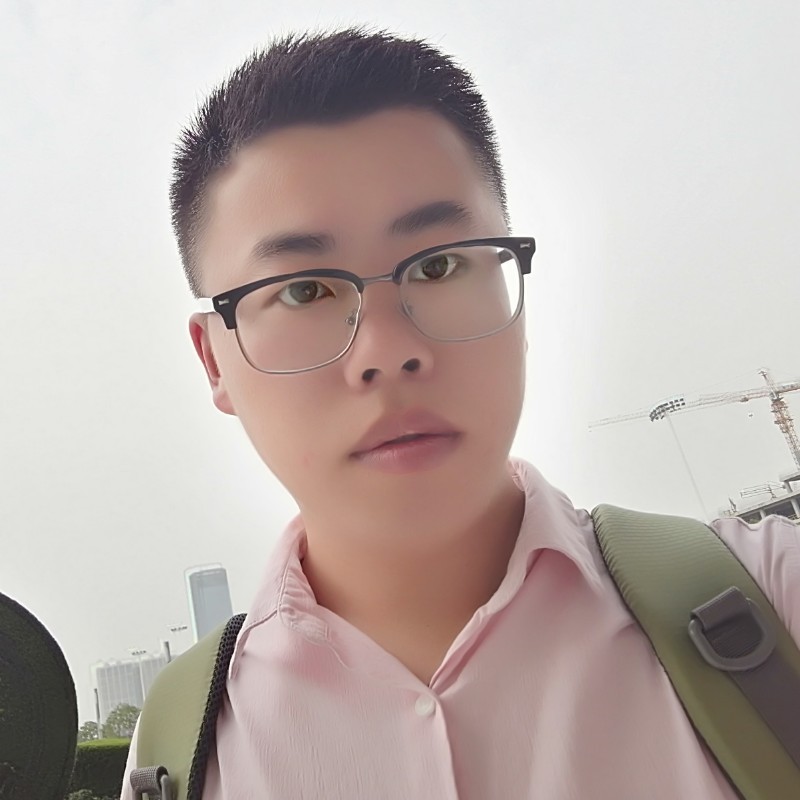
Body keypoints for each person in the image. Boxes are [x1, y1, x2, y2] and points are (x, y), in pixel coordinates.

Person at [120, 28, 800, 799]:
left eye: (439, 265)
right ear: (214, 360)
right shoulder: (182, 751)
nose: (387, 352)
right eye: (305, 291)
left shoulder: (771, 603)